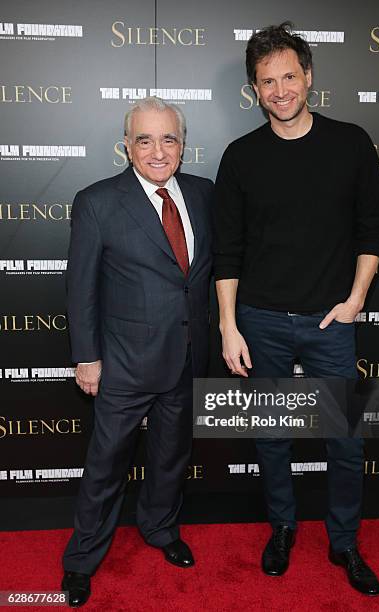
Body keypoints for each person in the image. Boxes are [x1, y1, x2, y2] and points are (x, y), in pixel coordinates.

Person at [213, 23, 379, 595]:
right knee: (271, 436)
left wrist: (355, 301)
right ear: (254, 89)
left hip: (329, 322)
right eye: (268, 81)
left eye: (290, 75)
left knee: (345, 440)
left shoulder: (351, 142)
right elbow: (228, 252)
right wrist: (228, 325)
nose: (281, 89)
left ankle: (344, 544)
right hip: (260, 321)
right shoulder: (240, 157)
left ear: (308, 76)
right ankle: (283, 529)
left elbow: (372, 231)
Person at [62, 97, 213, 607]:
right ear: (126, 145)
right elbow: (80, 287)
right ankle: (82, 559)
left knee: (171, 458)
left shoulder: (203, 194)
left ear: (183, 145)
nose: (157, 150)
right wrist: (87, 356)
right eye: (144, 139)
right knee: (106, 465)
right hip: (124, 363)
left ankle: (160, 529)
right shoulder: (98, 201)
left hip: (189, 356)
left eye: (168, 139)